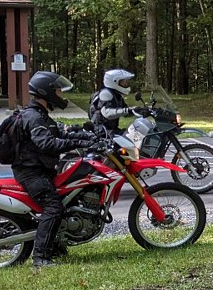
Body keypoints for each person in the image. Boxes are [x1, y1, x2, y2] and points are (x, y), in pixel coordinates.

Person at [14, 71, 96, 267]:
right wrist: (77, 143)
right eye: (58, 91)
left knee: (67, 201)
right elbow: (47, 143)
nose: (60, 95)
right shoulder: (34, 116)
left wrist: (88, 135)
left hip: (41, 170)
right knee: (54, 207)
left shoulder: (40, 114)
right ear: (46, 92)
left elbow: (60, 132)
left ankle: (55, 245)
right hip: (32, 173)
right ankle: (41, 257)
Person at [89, 69, 136, 135]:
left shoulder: (116, 95)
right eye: (123, 82)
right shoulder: (106, 94)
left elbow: (125, 111)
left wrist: (138, 110)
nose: (125, 84)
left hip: (110, 129)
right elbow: (107, 113)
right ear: (114, 81)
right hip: (101, 131)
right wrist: (127, 110)